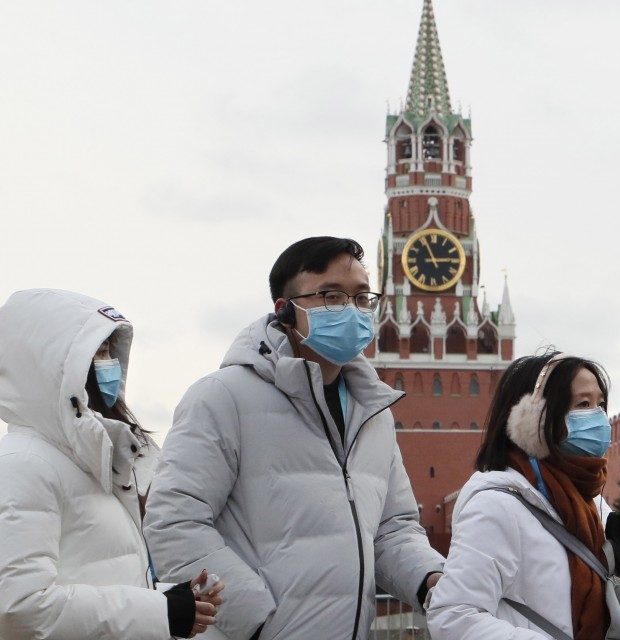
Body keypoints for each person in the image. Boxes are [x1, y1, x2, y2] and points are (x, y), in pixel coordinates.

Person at [143, 237, 444, 640]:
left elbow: (393, 529)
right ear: (285, 310)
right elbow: (173, 523)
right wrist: (258, 621)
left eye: (361, 298)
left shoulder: (372, 412)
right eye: (332, 296)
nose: (351, 311)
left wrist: (430, 578)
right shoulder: (223, 397)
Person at [0, 289, 221, 639]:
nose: (110, 364)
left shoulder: (95, 461)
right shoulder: (23, 464)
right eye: (97, 353)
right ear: (51, 367)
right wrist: (160, 612)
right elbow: (19, 610)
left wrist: (173, 599)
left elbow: (94, 576)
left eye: (110, 352)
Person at [427, 352, 620, 639]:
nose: (598, 417)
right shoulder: (496, 506)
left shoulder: (592, 505)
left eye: (600, 404)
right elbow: (452, 617)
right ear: (533, 421)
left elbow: (609, 607)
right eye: (583, 404)